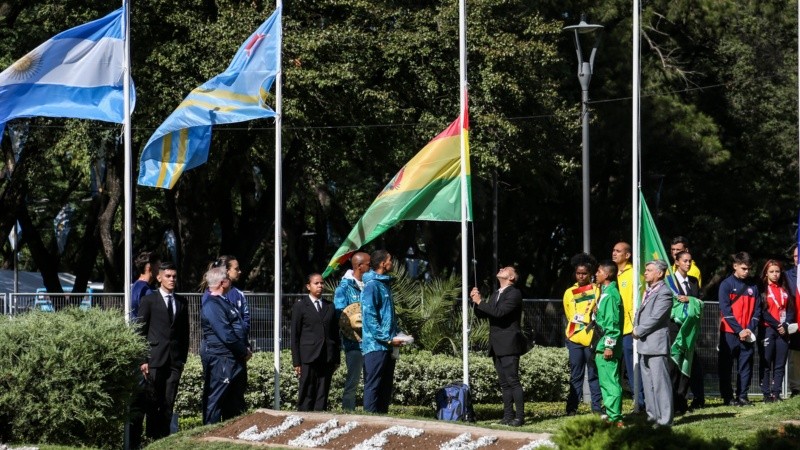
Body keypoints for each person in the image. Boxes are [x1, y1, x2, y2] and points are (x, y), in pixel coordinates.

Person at [135, 262, 190, 442]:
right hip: (154, 360)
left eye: (174, 276)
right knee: (153, 403)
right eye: (168, 276)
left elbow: (184, 333)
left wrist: (181, 360)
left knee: (168, 403)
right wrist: (143, 360)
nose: (172, 279)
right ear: (159, 278)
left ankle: (164, 441)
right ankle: (152, 440)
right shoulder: (149, 300)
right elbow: (140, 331)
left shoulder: (182, 302)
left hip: (174, 362)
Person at [470, 266, 525, 427]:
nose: (501, 268)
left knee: (513, 381)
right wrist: (475, 300)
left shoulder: (514, 293)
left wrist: (481, 302)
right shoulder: (496, 293)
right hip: (496, 344)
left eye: (506, 269)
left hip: (508, 343)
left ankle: (519, 417)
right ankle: (507, 416)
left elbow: (500, 312)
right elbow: (486, 313)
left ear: (512, 278)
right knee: (504, 383)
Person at [200, 267, 251, 424]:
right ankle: (210, 439)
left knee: (235, 403)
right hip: (222, 359)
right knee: (216, 401)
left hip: (233, 359)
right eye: (228, 278)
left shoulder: (224, 301)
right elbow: (226, 335)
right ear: (223, 282)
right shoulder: (212, 305)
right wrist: (244, 351)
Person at [361, 250, 403, 414]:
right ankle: (370, 421)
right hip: (376, 346)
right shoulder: (372, 286)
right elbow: (370, 317)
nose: (392, 263)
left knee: (385, 386)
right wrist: (387, 339)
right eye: (390, 260)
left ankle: (382, 419)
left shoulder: (384, 284)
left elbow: (387, 317)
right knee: (374, 385)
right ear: (382, 263)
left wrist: (399, 334)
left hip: (388, 345)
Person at [291, 273, 340, 411]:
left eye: (322, 283)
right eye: (316, 283)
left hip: (326, 356)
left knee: (323, 390)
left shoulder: (330, 306)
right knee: (307, 389)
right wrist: (297, 361)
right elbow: (295, 335)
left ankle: (320, 417)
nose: (320, 286)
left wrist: (336, 358)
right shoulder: (300, 306)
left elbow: (335, 334)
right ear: (308, 286)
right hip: (308, 356)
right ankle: (304, 416)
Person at [633, 260, 674, 427]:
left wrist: (638, 330)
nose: (646, 273)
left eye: (649, 270)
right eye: (646, 270)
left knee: (660, 385)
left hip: (656, 345)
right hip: (645, 345)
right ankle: (652, 418)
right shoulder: (648, 291)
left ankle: (665, 420)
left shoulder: (664, 292)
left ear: (660, 273)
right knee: (649, 385)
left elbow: (656, 317)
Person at [718, 252, 761, 407]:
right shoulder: (726, 284)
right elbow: (725, 310)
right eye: (743, 268)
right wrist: (739, 330)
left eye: (749, 269)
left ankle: (742, 396)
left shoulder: (753, 287)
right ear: (735, 266)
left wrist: (749, 329)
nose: (747, 271)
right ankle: (728, 398)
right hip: (729, 333)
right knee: (726, 367)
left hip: (747, 334)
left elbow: (757, 311)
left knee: (745, 366)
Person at [562, 253, 603, 416]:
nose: (581, 276)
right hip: (574, 338)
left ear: (590, 274)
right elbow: (568, 313)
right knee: (576, 375)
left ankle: (596, 407)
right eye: (578, 273)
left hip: (591, 337)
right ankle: (571, 408)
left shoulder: (596, 290)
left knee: (593, 374)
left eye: (584, 273)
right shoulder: (569, 292)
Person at [667, 250, 704, 413]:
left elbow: (700, 302)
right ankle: (672, 402)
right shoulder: (669, 281)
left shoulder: (694, 281)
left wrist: (691, 300)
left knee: (686, 365)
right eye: (684, 261)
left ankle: (682, 402)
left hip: (689, 329)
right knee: (673, 366)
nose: (688, 264)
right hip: (675, 329)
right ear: (677, 262)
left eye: (690, 261)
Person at [333, 252, 371, 411]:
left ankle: (371, 412)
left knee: (371, 382)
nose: (371, 267)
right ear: (359, 266)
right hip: (354, 344)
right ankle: (348, 412)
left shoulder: (370, 285)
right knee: (353, 382)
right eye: (369, 264)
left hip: (371, 343)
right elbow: (340, 315)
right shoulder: (344, 288)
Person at [611, 241, 644, 411]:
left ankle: (640, 402)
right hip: (613, 328)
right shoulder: (613, 274)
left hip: (628, 329)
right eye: (614, 250)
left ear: (627, 255)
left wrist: (635, 326)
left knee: (633, 367)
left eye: (618, 251)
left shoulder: (634, 273)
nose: (614, 253)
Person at [758, 260, 794, 402]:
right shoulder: (762, 290)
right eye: (772, 271)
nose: (775, 274)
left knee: (780, 363)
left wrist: (785, 324)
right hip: (767, 329)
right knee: (766, 362)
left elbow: (790, 309)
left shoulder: (785, 289)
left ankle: (776, 393)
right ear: (766, 273)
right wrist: (777, 324)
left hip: (783, 331)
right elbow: (762, 311)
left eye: (777, 271)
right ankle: (766, 394)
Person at [594, 261, 624, 427]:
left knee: (611, 383)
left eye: (598, 271)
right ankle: (612, 416)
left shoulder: (611, 295)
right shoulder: (606, 293)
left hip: (606, 347)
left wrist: (609, 346)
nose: (596, 274)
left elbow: (612, 324)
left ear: (606, 275)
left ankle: (616, 419)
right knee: (606, 383)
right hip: (601, 345)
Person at [783, 244, 800, 397]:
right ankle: (796, 388)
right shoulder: (787, 275)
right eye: (795, 256)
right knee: (795, 355)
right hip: (795, 321)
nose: (797, 258)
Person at [131, 251, 159, 321]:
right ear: (149, 268)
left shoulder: (135, 286)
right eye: (158, 267)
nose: (160, 271)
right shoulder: (146, 290)